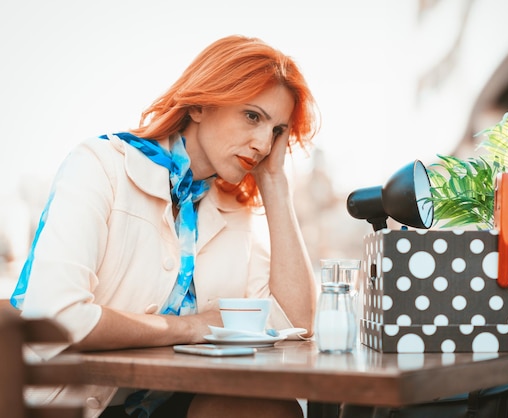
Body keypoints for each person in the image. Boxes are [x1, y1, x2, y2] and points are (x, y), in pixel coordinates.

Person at [10, 34, 319, 418]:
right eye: (252, 116)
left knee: (272, 409)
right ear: (202, 105)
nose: (261, 144)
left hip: (169, 403)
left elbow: (295, 324)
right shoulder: (100, 165)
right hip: (73, 404)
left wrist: (274, 184)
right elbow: (57, 318)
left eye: (276, 131)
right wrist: (192, 327)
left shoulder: (237, 209)